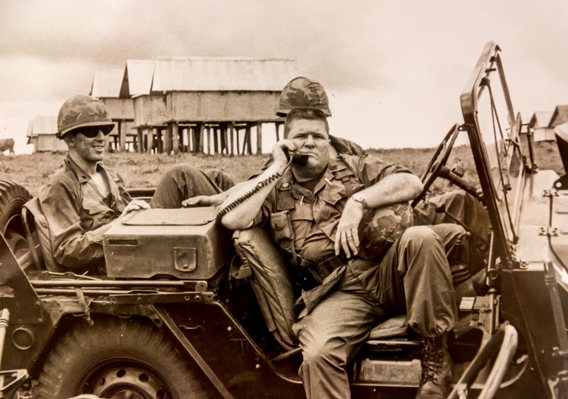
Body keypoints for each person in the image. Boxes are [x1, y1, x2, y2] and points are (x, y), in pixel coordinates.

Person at [218, 95, 463, 398]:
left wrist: (359, 202)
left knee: (421, 238)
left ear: (328, 140)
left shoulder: (353, 167)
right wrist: (277, 167)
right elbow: (232, 218)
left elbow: (411, 183)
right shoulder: (274, 188)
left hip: (386, 270)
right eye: (300, 137)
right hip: (338, 291)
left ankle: (436, 362)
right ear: (285, 143)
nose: (310, 143)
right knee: (319, 354)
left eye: (317, 136)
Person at [30, 94, 234, 274]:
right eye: (92, 131)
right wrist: (118, 225)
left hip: (134, 235)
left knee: (217, 177)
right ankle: (237, 250)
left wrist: (131, 216)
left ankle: (240, 246)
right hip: (121, 255)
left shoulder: (105, 176)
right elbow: (66, 250)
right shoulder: (61, 185)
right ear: (70, 139)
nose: (101, 138)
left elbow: (125, 209)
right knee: (180, 175)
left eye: (104, 130)